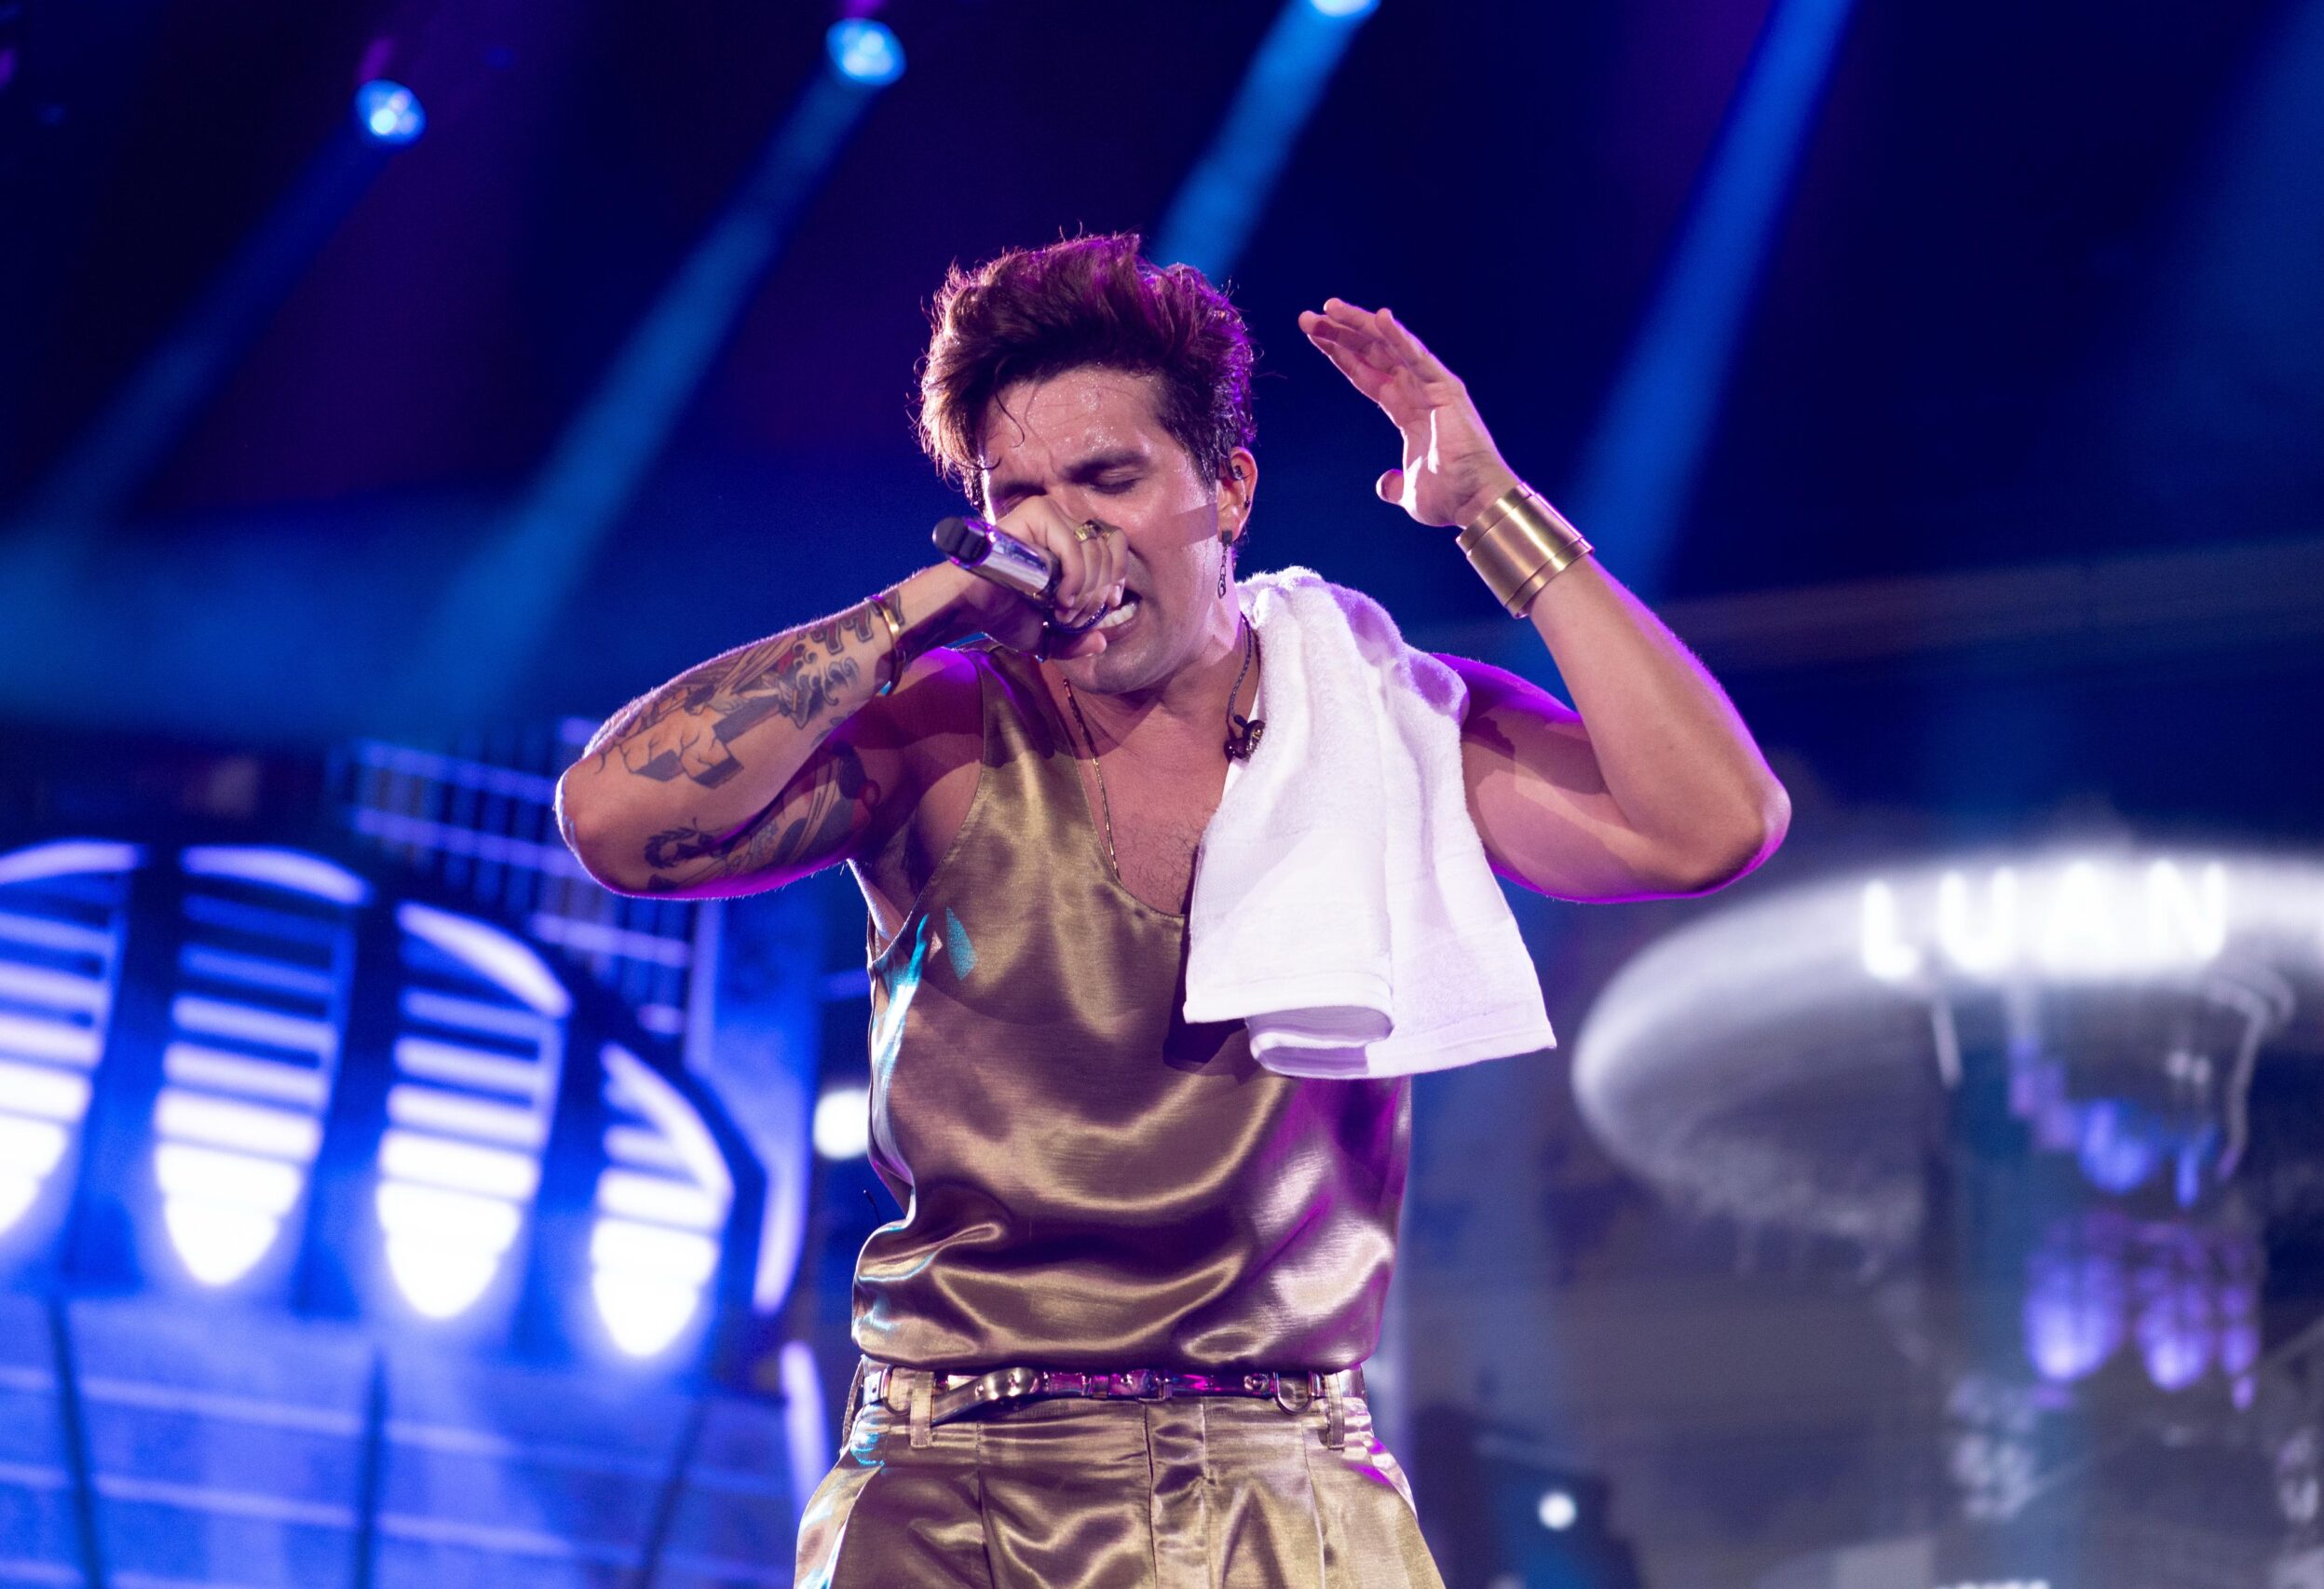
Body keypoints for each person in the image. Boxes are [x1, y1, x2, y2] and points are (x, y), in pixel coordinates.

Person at [556, 233, 1788, 1588]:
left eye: (1110, 479)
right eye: (1016, 495)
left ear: (1230, 489)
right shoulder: (943, 729)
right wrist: (926, 605)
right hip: (955, 1476)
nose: (1064, 534)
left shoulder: (1384, 718)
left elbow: (1713, 823)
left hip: (1290, 1479)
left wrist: (1495, 510)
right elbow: (613, 823)